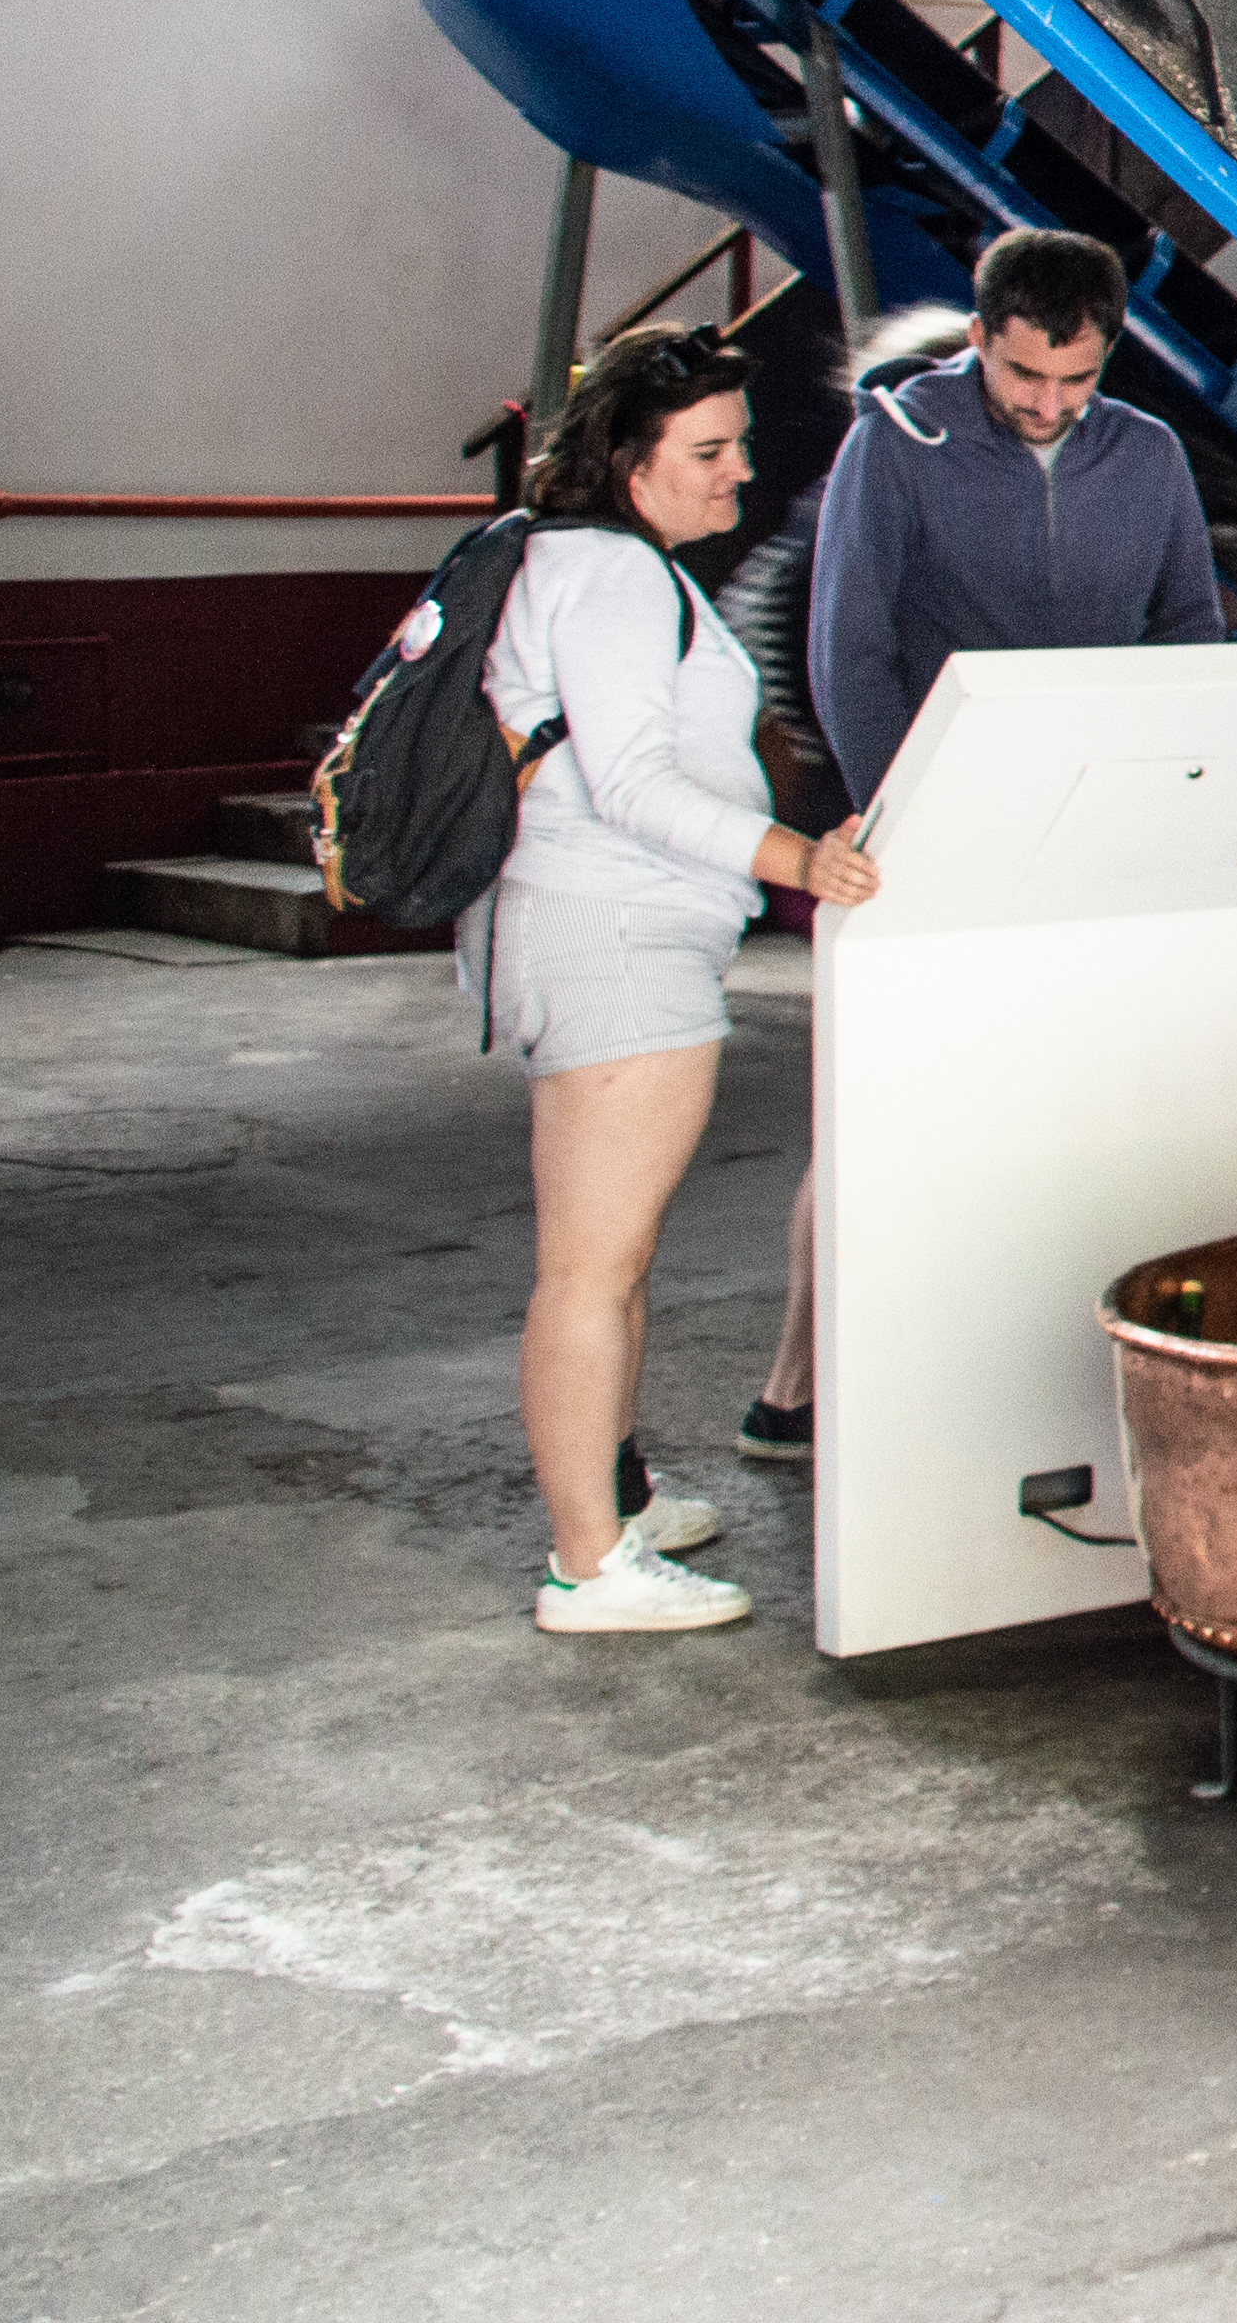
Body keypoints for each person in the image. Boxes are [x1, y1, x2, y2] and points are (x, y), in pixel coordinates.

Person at [744, 226, 1225, 1458]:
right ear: (978, 341)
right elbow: (847, 649)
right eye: (1024, 379)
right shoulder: (895, 448)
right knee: (881, 1114)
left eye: (1077, 381)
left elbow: (1187, 630)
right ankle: (791, 1391)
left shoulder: (1151, 456)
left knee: (1060, 1117)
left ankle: (1005, 1380)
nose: (1050, 406)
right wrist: (908, 819)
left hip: (1095, 843)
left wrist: (1171, 797)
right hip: (928, 839)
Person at [474, 321, 884, 1637]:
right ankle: (587, 1566)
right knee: (588, 1268)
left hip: (617, 936)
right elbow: (633, 783)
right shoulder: (608, 578)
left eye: (742, 445)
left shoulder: (611, 568)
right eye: (707, 452)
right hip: (611, 940)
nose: (737, 475)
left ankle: (614, 1503)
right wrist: (795, 860)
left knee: (617, 1256)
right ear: (626, 460)